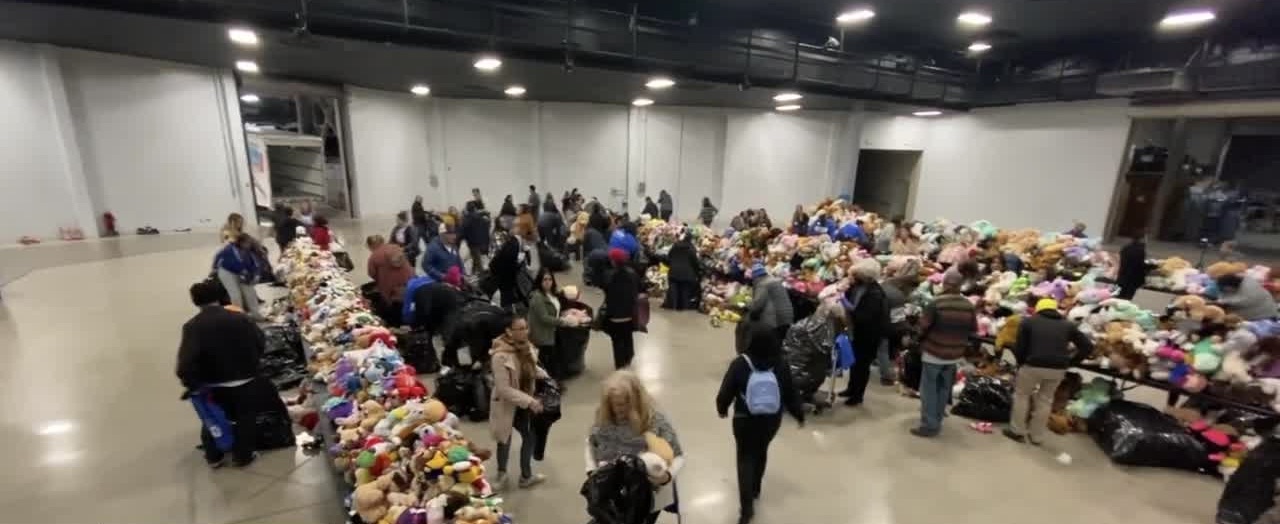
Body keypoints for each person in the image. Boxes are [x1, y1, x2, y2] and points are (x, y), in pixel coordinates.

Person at [716, 324, 805, 524]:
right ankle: (755, 488)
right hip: (771, 420)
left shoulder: (741, 363)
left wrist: (722, 409)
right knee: (761, 449)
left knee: (744, 458)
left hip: (744, 419)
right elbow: (791, 392)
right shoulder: (781, 363)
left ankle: (746, 509)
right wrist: (798, 414)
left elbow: (726, 390)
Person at [177, 279, 265, 468]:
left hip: (212, 383)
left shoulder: (192, 327)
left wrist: (192, 383)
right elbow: (260, 341)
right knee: (245, 417)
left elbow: (185, 363)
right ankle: (243, 456)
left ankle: (213, 456)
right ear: (219, 296)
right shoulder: (240, 318)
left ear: (195, 301)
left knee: (213, 417)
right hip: (245, 378)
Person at [587, 371, 684, 524]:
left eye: (622, 404)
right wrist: (594, 472)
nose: (617, 410)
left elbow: (678, 455)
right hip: (613, 493)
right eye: (613, 404)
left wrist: (667, 477)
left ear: (635, 401)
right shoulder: (603, 419)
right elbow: (591, 444)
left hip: (649, 495)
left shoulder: (654, 421)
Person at [1004, 298, 1093, 445]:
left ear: (1038, 309)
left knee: (1022, 396)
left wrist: (1021, 363)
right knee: (1045, 400)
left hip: (1032, 365)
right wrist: (1071, 362)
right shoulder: (1068, 325)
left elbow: (1021, 348)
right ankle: (1037, 436)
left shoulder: (1028, 322)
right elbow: (1087, 346)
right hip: (1057, 369)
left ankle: (1017, 431)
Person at [912, 270, 976, 437]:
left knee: (928, 390)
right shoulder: (968, 305)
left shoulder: (936, 303)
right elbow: (973, 330)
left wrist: (915, 340)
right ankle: (937, 419)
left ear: (945, 283)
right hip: (954, 354)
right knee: (943, 389)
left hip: (934, 352)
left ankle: (928, 425)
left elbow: (923, 327)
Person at [489, 316, 548, 490]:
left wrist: (545, 376)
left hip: (524, 404)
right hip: (507, 404)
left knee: (530, 437)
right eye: (520, 329)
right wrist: (530, 401)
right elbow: (503, 388)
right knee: (504, 439)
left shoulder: (527, 348)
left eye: (526, 328)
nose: (525, 332)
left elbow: (531, 367)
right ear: (509, 331)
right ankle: (502, 473)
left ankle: (526, 476)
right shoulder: (500, 356)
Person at [837, 258, 889, 406]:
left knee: (862, 365)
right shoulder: (860, 286)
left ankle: (857, 395)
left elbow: (864, 316)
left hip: (868, 334)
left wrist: (847, 306)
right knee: (855, 363)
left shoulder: (874, 294)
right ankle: (851, 388)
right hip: (857, 331)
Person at [408, 267, 465, 365]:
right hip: (451, 303)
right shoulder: (424, 289)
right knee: (450, 334)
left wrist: (417, 326)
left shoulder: (419, 293)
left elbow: (424, 312)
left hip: (450, 308)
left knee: (449, 336)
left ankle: (457, 362)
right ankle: (457, 360)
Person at [529, 267, 576, 381]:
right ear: (540, 281)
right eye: (545, 279)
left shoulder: (551, 294)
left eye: (550, 279)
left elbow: (555, 311)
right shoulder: (537, 297)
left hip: (552, 332)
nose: (548, 282)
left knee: (554, 360)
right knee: (547, 363)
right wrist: (563, 321)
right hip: (542, 335)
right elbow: (544, 317)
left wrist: (565, 313)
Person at [491, 214, 540, 309]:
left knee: (507, 302)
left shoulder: (514, 243)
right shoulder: (517, 243)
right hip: (512, 281)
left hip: (507, 281)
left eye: (516, 226)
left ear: (522, 229)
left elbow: (501, 263)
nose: (512, 227)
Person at [604, 248, 640, 368]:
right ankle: (628, 358)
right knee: (627, 337)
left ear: (613, 261)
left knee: (617, 341)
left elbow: (607, 292)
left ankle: (620, 365)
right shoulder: (632, 274)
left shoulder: (609, 275)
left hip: (614, 315)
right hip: (629, 314)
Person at [366, 235, 413, 325]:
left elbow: (371, 273)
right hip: (409, 282)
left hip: (390, 288)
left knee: (395, 309)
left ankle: (397, 326)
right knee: (409, 303)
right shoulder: (396, 248)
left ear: (371, 246)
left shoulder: (374, 256)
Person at [214, 233, 262, 318]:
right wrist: (214, 268)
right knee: (235, 294)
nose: (248, 245)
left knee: (250, 292)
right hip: (226, 271)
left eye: (250, 243)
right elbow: (218, 257)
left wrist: (256, 275)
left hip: (242, 272)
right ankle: (239, 317)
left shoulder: (251, 250)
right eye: (247, 243)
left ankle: (256, 314)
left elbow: (256, 263)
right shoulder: (229, 249)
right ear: (240, 242)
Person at [748, 263, 794, 340]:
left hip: (776, 321)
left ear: (755, 277)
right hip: (788, 317)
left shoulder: (762, 284)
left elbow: (757, 306)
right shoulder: (776, 281)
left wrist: (749, 310)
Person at [664, 231, 700, 311]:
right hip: (687, 274)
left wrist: (671, 265)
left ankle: (672, 308)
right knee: (684, 293)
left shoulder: (675, 245)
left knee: (673, 292)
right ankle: (683, 310)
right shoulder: (692, 248)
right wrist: (697, 273)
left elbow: (669, 257)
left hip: (673, 272)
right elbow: (695, 262)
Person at [461, 201, 493, 274]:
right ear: (475, 208)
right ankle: (474, 273)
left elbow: (463, 230)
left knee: (477, 260)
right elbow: (487, 227)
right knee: (476, 259)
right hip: (480, 241)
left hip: (472, 242)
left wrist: (460, 239)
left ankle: (482, 277)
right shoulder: (480, 217)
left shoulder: (467, 218)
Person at [1115, 232, 1147, 300]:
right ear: (1142, 239)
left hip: (1123, 276)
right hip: (1133, 278)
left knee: (1119, 296)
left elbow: (1122, 261)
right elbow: (1140, 265)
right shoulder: (1140, 250)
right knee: (1127, 298)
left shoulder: (1126, 248)